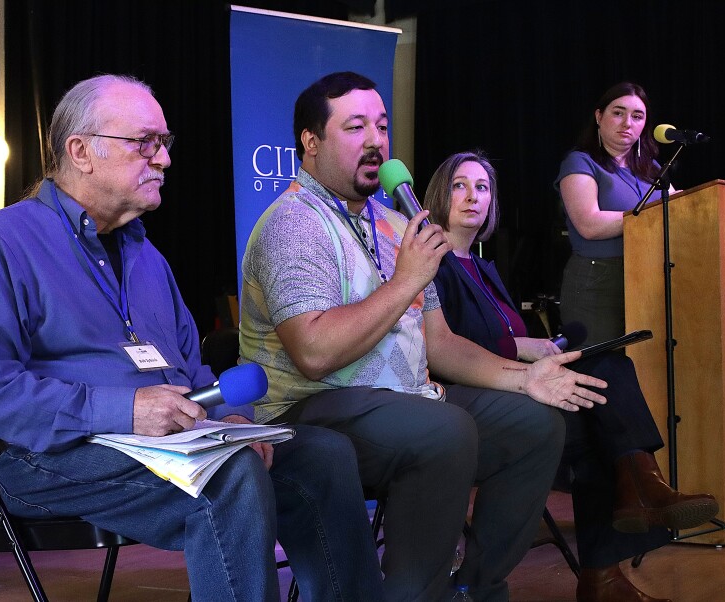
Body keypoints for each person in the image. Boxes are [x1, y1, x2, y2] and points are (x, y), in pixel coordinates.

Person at [0, 74, 386, 602]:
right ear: (80, 151)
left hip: (169, 444)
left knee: (323, 456)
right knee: (228, 477)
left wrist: (229, 423)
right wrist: (124, 411)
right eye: (145, 143)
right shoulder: (0, 242)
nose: (164, 159)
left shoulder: (147, 258)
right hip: (48, 454)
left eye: (165, 143)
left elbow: (190, 372)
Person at [239, 71, 610, 602]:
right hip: (308, 408)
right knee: (444, 430)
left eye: (383, 126)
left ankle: (475, 589)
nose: (376, 141)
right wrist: (407, 280)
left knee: (534, 422)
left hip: (408, 401)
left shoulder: (395, 225)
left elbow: (440, 344)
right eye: (356, 127)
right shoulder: (292, 224)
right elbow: (314, 353)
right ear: (311, 142)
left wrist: (527, 378)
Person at [424, 150, 720, 602]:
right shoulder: (431, 262)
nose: (472, 196)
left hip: (520, 380)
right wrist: (525, 348)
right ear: (439, 194)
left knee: (606, 369)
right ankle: (636, 497)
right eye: (460, 185)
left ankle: (633, 489)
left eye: (482, 187)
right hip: (472, 394)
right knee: (595, 405)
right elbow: (443, 344)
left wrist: (545, 349)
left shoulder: (483, 267)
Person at [555, 82, 676, 347]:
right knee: (603, 371)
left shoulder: (652, 167)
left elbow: (679, 211)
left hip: (649, 278)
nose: (627, 123)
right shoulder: (580, 162)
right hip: (597, 281)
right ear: (599, 117)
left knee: (644, 371)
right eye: (618, 113)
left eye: (637, 116)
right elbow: (589, 224)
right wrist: (649, 217)